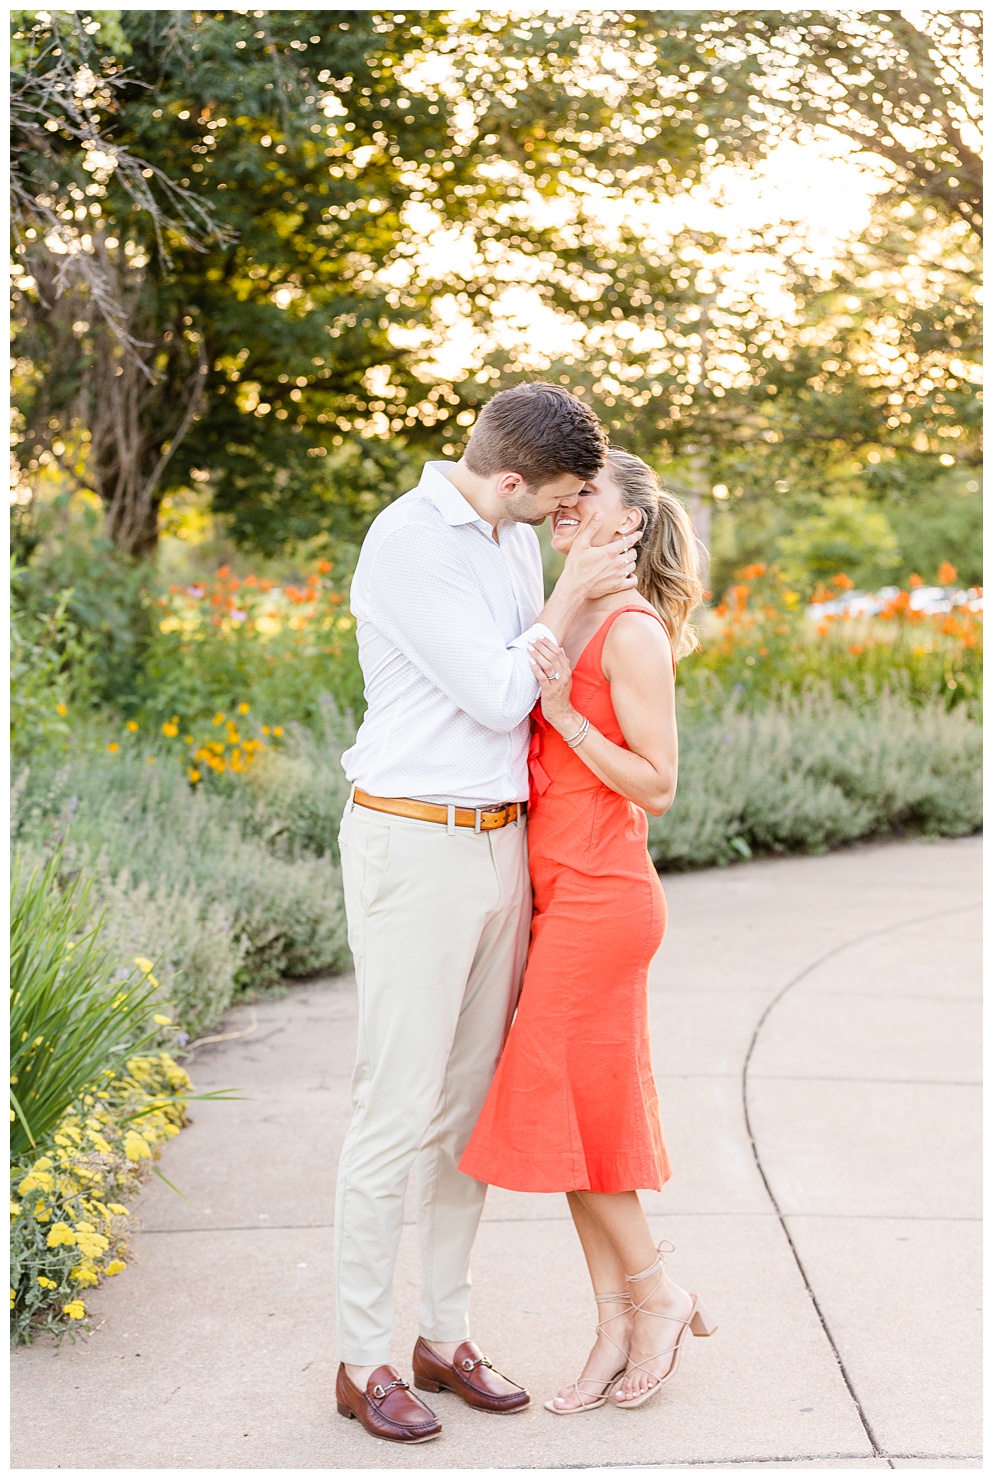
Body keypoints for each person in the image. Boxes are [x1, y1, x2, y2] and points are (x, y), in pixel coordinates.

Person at [333, 383, 642, 1445]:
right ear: (509, 480)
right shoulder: (409, 541)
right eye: (553, 496)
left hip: (498, 843)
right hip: (413, 842)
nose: (562, 516)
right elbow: (502, 692)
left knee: (468, 1115)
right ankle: (363, 1356)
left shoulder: (511, 534)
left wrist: (583, 543)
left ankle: (444, 1335)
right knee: (398, 1105)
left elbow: (538, 664)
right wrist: (567, 600)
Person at [460, 448, 717, 1414]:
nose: (568, 505)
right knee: (579, 1125)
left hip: (606, 900)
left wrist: (564, 711)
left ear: (631, 523)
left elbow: (658, 782)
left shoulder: (634, 631)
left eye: (586, 496)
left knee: (552, 1103)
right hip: (557, 895)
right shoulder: (570, 613)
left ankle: (656, 1293)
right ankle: (613, 1318)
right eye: (565, 496)